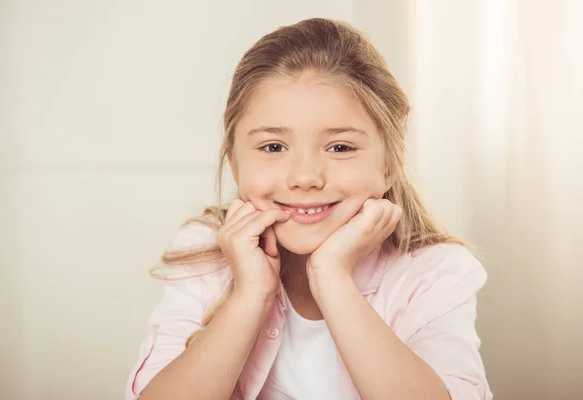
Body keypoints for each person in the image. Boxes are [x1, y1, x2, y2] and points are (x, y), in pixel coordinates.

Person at [125, 17, 492, 400]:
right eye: (273, 147)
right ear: (234, 163)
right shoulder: (204, 251)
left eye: (340, 147)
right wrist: (249, 295)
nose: (305, 177)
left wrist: (332, 277)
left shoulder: (435, 272)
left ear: (389, 165)